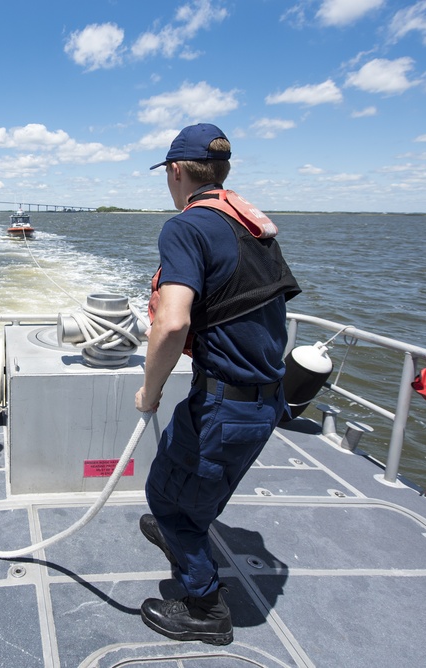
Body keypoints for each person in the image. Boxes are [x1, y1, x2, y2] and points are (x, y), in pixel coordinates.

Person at [135, 123, 300, 645]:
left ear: (176, 172)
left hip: (224, 406)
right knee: (192, 486)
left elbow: (174, 320)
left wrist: (150, 389)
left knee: (167, 499)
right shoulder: (250, 228)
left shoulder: (185, 227)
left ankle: (206, 608)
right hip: (266, 401)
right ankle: (182, 536)